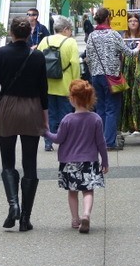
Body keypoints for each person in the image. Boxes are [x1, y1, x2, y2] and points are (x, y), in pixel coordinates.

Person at [0, 16, 49, 232]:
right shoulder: (38, 56)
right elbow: (43, 91)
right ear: (29, 34)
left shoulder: (2, 53)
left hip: (7, 108)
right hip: (32, 108)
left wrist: (4, 101)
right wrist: (45, 117)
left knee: (7, 162)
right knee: (30, 162)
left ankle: (13, 204)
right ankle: (25, 218)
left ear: (11, 33)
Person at [44, 79, 109, 233]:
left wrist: (45, 132)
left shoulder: (67, 120)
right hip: (89, 161)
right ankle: (86, 214)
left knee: (72, 191)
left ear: (72, 99)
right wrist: (104, 161)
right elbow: (101, 143)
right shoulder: (96, 119)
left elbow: (58, 139)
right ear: (90, 99)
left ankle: (75, 219)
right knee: (88, 190)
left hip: (69, 162)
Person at [85, 8, 140, 150]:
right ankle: (109, 142)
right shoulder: (114, 35)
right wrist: (138, 48)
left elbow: (88, 58)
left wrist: (94, 72)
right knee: (112, 109)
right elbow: (128, 53)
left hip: (96, 77)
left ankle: (100, 140)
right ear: (107, 19)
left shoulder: (91, 36)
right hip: (111, 77)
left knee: (100, 109)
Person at [36, 17, 80, 151]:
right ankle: (65, 141)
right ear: (65, 29)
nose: (71, 32)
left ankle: (48, 142)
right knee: (65, 115)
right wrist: (76, 83)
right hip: (65, 86)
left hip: (47, 86)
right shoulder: (70, 42)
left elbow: (37, 59)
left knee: (49, 115)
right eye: (70, 30)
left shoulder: (45, 40)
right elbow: (75, 64)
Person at [120, 13, 140, 134]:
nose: (133, 23)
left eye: (135, 21)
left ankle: (139, 125)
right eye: (130, 20)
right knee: (126, 98)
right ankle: (128, 126)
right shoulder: (122, 38)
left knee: (138, 98)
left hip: (139, 73)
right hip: (126, 72)